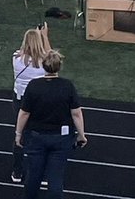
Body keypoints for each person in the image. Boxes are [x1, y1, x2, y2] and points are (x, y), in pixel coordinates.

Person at [15, 50, 87, 198]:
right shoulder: (67, 86)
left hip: (36, 137)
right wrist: (81, 135)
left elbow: (24, 113)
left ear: (43, 65)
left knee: (33, 175)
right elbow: (76, 113)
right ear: (59, 66)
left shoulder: (34, 85)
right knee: (55, 178)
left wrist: (18, 134)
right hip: (61, 138)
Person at [11, 23, 52, 183]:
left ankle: (17, 171)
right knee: (41, 136)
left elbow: (21, 53)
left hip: (20, 100)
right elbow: (51, 57)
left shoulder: (16, 59)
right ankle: (41, 174)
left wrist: (33, 39)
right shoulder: (44, 64)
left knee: (19, 135)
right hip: (40, 103)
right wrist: (44, 36)